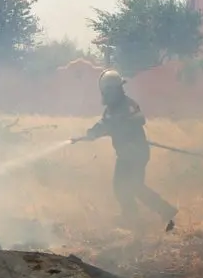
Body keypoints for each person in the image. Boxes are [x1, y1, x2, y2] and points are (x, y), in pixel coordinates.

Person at [72, 69, 177, 231]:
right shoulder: (113, 108)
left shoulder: (127, 104)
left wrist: (120, 125)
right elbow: (104, 124)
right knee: (126, 187)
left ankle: (145, 215)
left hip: (135, 154)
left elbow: (139, 118)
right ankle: (149, 214)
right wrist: (92, 133)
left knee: (130, 186)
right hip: (127, 154)